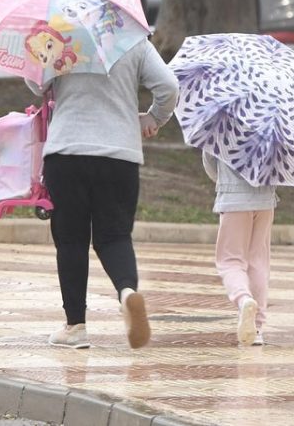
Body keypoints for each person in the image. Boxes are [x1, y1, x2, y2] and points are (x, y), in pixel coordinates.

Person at [28, 38, 178, 349]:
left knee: (71, 240)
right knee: (115, 236)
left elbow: (36, 83)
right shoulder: (133, 39)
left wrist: (39, 47)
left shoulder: (59, 35)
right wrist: (153, 118)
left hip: (67, 150)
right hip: (120, 154)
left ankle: (75, 327)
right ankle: (127, 292)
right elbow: (169, 86)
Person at [202, 151, 277, 346]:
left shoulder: (222, 130)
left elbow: (209, 159)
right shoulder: (270, 130)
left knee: (230, 261)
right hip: (265, 200)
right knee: (258, 263)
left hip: (233, 199)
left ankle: (243, 299)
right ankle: (257, 328)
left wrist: (222, 180)